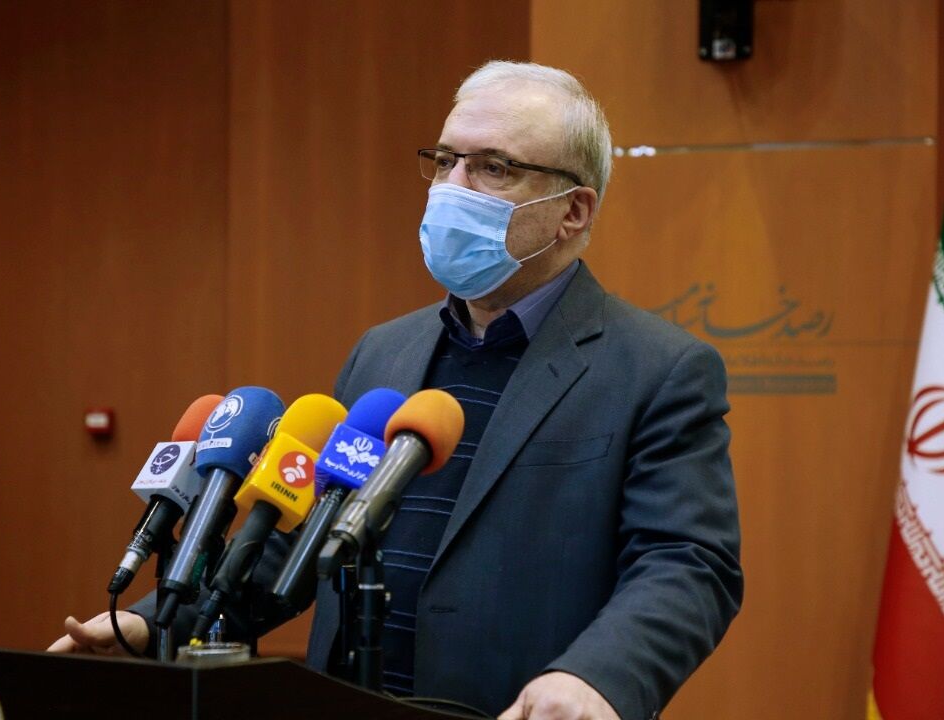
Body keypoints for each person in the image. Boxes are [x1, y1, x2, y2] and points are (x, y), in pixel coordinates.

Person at [50, 61, 743, 720]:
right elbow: (299, 535)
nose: (452, 187)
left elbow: (687, 565)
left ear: (573, 211)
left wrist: (596, 676)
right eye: (445, 161)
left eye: (494, 167)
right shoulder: (383, 353)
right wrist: (155, 622)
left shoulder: (658, 369)